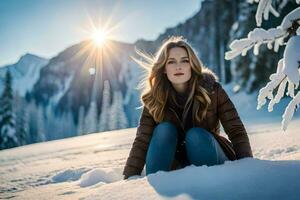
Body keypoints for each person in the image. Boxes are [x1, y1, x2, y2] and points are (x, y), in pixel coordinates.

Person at [123, 36, 253, 180]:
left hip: (211, 156)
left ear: (192, 65)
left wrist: (246, 165)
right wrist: (129, 178)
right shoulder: (155, 98)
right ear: (164, 68)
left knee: (195, 135)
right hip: (175, 164)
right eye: (171, 62)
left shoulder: (212, 90)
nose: (178, 66)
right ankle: (156, 186)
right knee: (163, 130)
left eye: (184, 61)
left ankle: (210, 186)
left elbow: (236, 130)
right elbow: (142, 141)